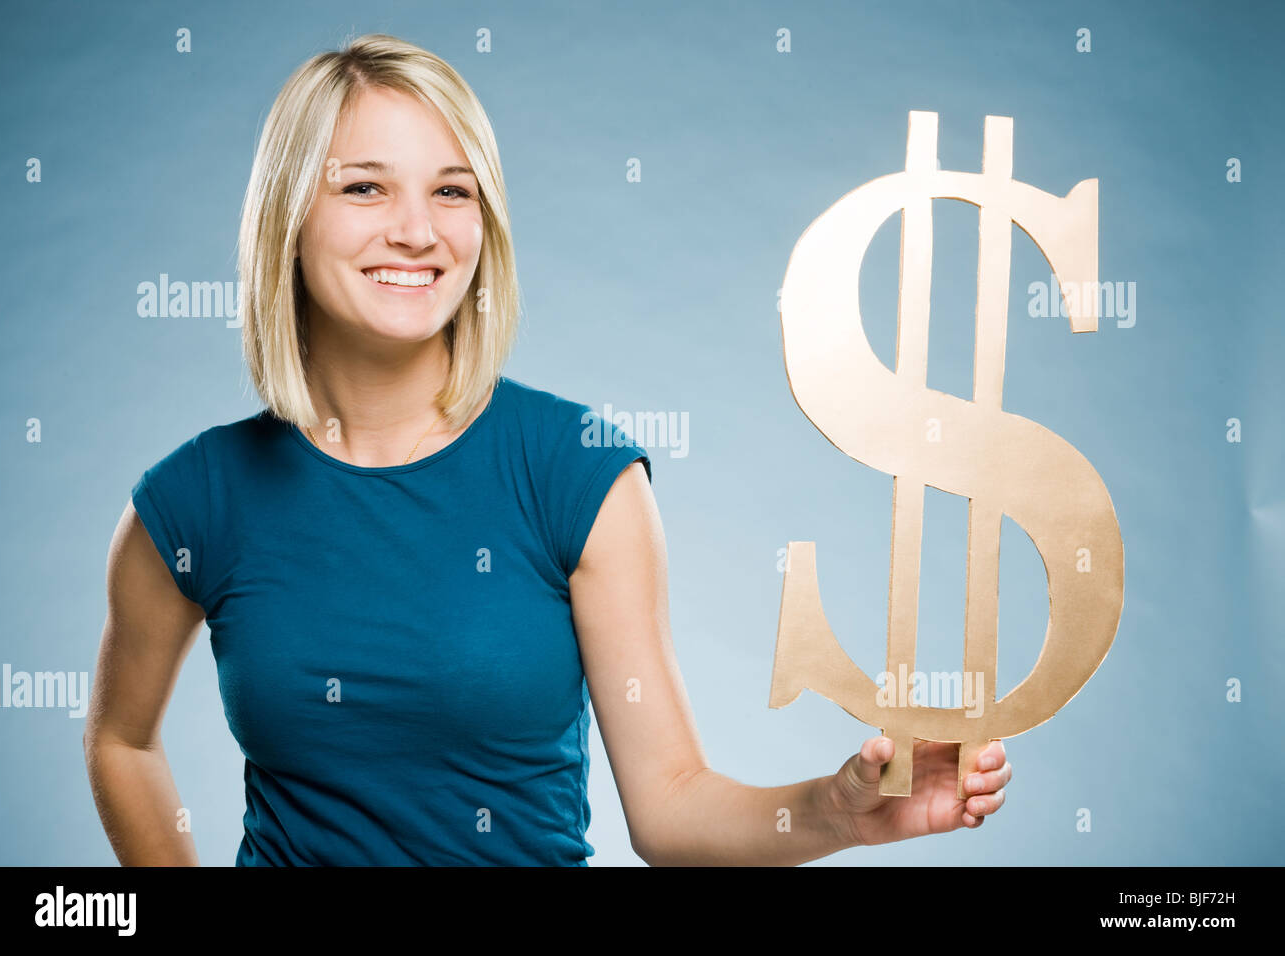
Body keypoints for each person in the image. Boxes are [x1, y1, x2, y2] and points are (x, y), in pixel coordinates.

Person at [84, 33, 1011, 866]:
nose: (417, 229)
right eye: (365, 186)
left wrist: (842, 812)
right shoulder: (194, 501)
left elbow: (671, 807)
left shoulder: (576, 472)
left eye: (453, 190)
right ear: (288, 215)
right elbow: (120, 740)